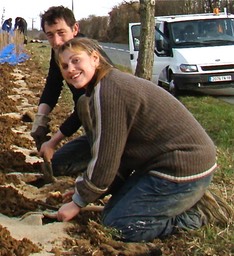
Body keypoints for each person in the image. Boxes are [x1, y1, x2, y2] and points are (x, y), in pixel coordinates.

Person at [54, 37, 218, 242]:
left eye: (76, 61)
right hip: (161, 163)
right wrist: (85, 193)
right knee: (110, 214)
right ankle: (181, 200)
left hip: (182, 167)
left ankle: (196, 215)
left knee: (121, 225)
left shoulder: (108, 92)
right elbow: (119, 159)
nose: (71, 69)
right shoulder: (104, 85)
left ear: (95, 59)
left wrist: (78, 202)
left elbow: (106, 158)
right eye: (65, 65)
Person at [30, 6, 112, 172]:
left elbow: (85, 107)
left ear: (75, 29)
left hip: (112, 128)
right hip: (92, 130)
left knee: (95, 169)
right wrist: (41, 116)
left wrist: (54, 141)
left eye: (61, 33)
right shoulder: (58, 53)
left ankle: (111, 162)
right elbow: (53, 86)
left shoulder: (87, 56)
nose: (57, 41)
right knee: (57, 164)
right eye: (50, 35)